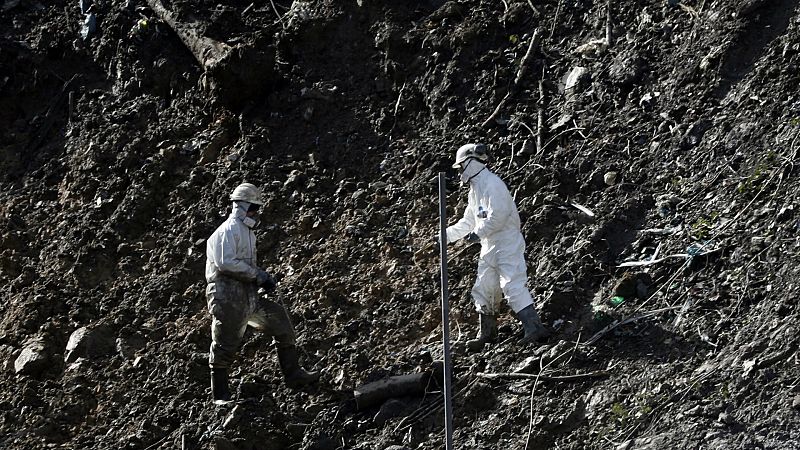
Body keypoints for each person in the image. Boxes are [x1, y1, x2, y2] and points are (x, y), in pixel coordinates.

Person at [205, 182, 319, 404]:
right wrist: (257, 274)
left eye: (257, 208)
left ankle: (293, 375)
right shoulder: (227, 230)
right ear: (241, 206)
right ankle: (220, 395)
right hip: (227, 297)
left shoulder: (247, 233)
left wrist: (261, 279)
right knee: (225, 343)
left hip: (247, 296)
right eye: (253, 207)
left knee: (281, 324)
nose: (256, 212)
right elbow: (226, 263)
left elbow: (244, 267)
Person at [443, 144, 549, 351]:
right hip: (489, 244)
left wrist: (479, 232)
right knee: (485, 288)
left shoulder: (493, 184)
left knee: (512, 285)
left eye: (461, 167)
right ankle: (487, 334)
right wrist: (444, 236)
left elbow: (498, 215)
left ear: (471, 162)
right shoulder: (475, 191)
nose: (460, 172)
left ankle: (534, 328)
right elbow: (468, 221)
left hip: (506, 241)